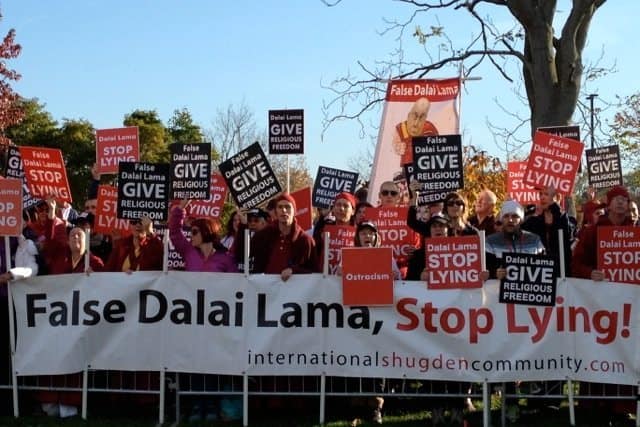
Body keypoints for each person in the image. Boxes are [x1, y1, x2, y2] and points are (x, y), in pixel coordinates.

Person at [250, 193, 318, 281]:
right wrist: (242, 226)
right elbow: (241, 256)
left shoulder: (306, 240)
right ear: (276, 211)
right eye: (280, 207)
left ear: (295, 211)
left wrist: (294, 271)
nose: (284, 210)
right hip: (265, 291)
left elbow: (315, 273)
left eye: (288, 207)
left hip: (293, 292)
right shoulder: (263, 236)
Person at [572, 185, 634, 280]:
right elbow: (576, 264)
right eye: (616, 199)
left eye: (624, 199)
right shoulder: (593, 231)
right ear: (608, 205)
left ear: (628, 205)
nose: (620, 202)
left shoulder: (635, 232)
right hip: (599, 289)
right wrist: (590, 273)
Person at [169, 201, 238, 272]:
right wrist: (181, 207)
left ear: (205, 232)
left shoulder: (226, 258)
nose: (191, 235)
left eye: (194, 232)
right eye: (191, 232)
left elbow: (233, 281)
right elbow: (174, 232)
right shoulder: (189, 251)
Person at [42, 197, 104, 274]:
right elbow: (50, 240)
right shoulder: (60, 253)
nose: (76, 236)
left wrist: (95, 277)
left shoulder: (95, 262)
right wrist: (51, 211)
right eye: (72, 235)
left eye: (83, 225)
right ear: (68, 240)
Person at [485, 200, 545, 279]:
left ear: (521, 220)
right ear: (501, 219)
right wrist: (495, 273)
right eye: (506, 216)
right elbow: (484, 271)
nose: (510, 220)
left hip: (527, 290)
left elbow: (545, 268)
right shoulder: (490, 241)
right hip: (498, 290)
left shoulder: (535, 240)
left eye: (514, 216)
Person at [521, 186, 573, 277]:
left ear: (557, 198)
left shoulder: (564, 219)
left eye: (546, 194)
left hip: (561, 274)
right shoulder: (534, 221)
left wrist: (554, 206)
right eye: (540, 194)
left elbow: (566, 233)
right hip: (539, 274)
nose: (542, 197)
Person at [392, 97, 439, 166]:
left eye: (421, 118)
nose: (416, 123)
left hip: (425, 167)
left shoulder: (429, 128)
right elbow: (396, 146)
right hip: (407, 168)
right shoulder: (401, 128)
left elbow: (438, 147)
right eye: (414, 116)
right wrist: (399, 147)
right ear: (409, 116)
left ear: (425, 119)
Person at [406, 213, 450, 280]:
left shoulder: (458, 252)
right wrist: (420, 277)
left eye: (441, 226)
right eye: (434, 226)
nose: (437, 229)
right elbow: (408, 282)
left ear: (447, 230)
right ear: (430, 231)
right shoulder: (418, 256)